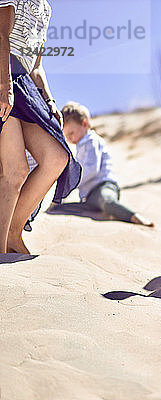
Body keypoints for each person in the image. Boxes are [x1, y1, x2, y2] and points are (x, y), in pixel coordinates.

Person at [0, 0, 81, 254]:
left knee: (56, 157)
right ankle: (2, 249)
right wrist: (3, 86)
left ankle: (13, 232)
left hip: (23, 85)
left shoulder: (46, 8)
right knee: (15, 171)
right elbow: (1, 34)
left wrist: (49, 100)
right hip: (2, 75)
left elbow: (36, 66)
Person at [60, 102, 154, 227]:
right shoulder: (79, 148)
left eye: (71, 133)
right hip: (89, 197)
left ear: (84, 124)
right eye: (67, 136)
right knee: (61, 208)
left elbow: (92, 169)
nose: (70, 139)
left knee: (106, 201)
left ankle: (133, 216)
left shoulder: (91, 141)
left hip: (104, 187)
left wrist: (72, 182)